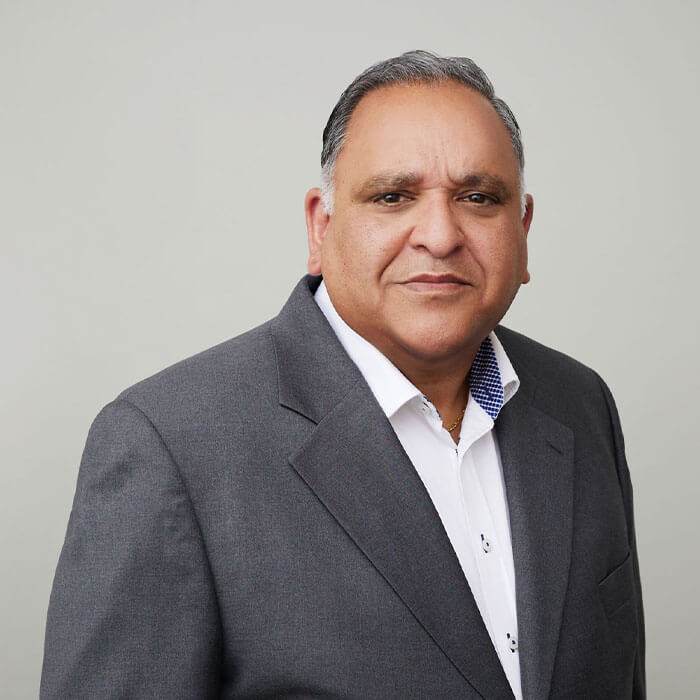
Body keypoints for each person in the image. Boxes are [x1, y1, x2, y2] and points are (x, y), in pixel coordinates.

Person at [41, 50, 645, 699]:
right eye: (393, 197)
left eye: (478, 197)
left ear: (521, 231)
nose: (440, 236)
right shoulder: (170, 446)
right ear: (320, 227)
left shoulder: (580, 403)